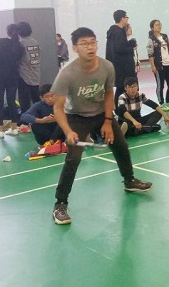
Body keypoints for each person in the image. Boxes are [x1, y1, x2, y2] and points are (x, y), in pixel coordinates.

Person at [51, 27, 152, 225]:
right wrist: (68, 131)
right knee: (73, 159)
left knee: (120, 145)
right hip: (77, 117)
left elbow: (108, 94)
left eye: (92, 42)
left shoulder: (107, 66)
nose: (90, 47)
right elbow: (58, 107)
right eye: (84, 44)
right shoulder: (67, 73)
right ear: (74, 48)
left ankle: (129, 181)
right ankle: (60, 203)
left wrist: (107, 121)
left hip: (100, 114)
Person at [0, 23, 24, 138]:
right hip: (13, 76)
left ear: (8, 32)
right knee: (12, 101)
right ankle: (14, 128)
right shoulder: (18, 46)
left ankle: (0, 130)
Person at [105, 10, 135, 105]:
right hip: (122, 67)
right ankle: (119, 109)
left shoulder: (113, 31)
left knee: (121, 88)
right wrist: (131, 44)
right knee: (122, 88)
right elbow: (120, 48)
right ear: (122, 18)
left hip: (117, 66)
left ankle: (119, 108)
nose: (127, 19)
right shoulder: (118, 32)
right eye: (126, 17)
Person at [146, 19, 169, 108]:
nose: (159, 26)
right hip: (159, 66)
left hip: (168, 64)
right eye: (156, 25)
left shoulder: (165, 36)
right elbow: (150, 54)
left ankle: (168, 101)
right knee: (160, 85)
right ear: (152, 28)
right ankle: (161, 102)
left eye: (160, 24)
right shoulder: (151, 39)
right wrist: (153, 66)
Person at [17, 21, 41, 117]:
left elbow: (18, 59)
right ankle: (41, 118)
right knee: (36, 99)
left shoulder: (21, 44)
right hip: (35, 74)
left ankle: (25, 121)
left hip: (24, 75)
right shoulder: (35, 42)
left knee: (24, 102)